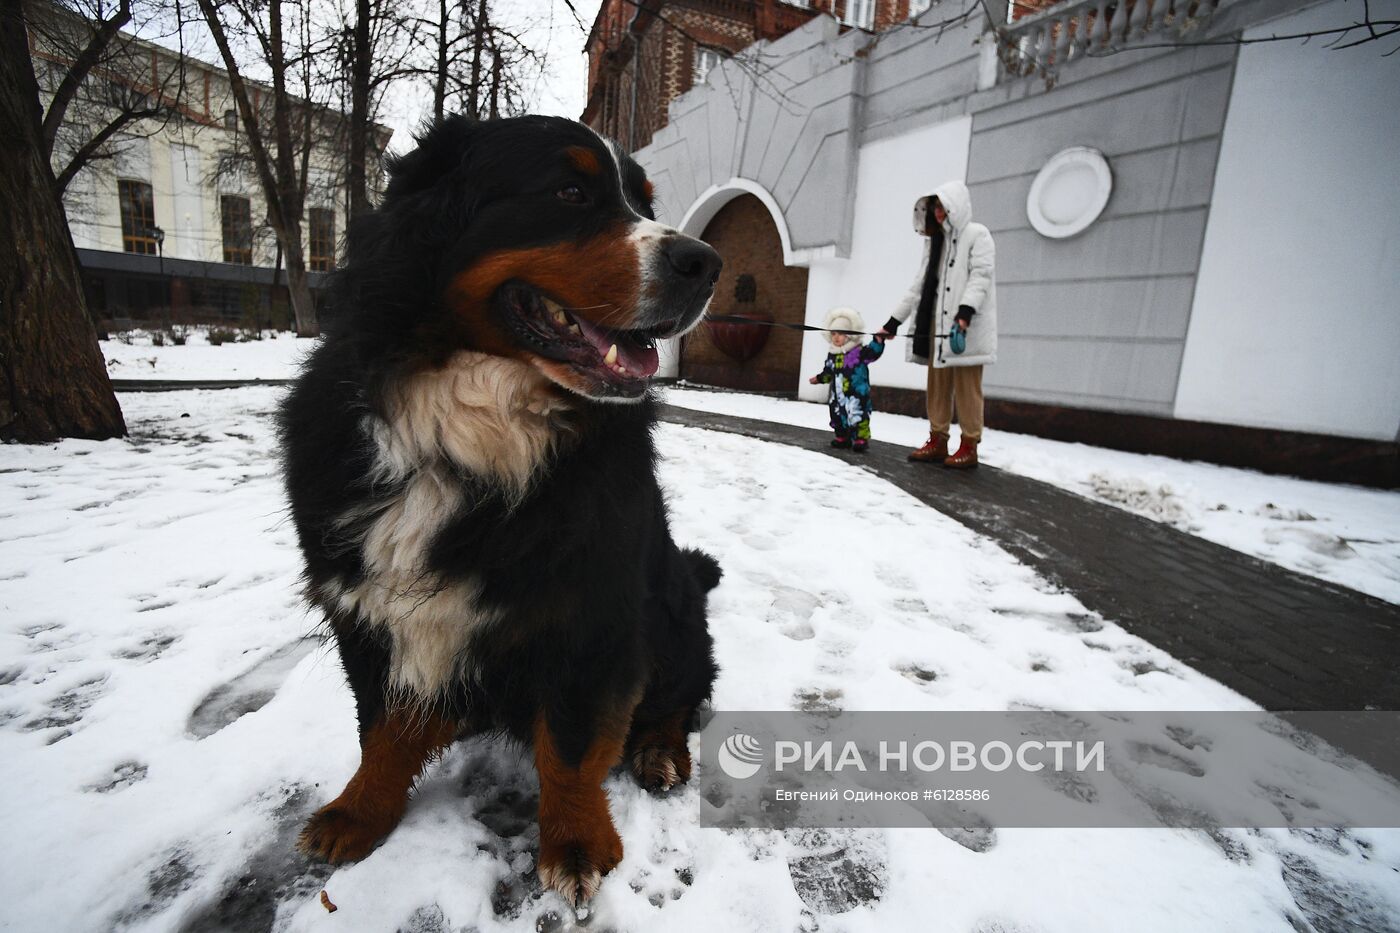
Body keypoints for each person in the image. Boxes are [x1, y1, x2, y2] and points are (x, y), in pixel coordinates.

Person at [878, 180, 997, 469]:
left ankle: (969, 444)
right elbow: (919, 286)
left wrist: (965, 313)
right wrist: (892, 323)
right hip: (935, 324)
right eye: (935, 209)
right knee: (938, 384)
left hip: (963, 326)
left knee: (968, 387)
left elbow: (981, 275)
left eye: (943, 207)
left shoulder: (977, 235)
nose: (939, 213)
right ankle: (938, 439)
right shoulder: (934, 242)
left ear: (956, 206)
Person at [809, 306, 886, 453]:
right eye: (833, 334)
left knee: (857, 413)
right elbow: (828, 371)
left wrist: (878, 341)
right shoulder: (833, 354)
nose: (836, 337)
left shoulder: (859, 352)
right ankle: (842, 437)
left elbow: (873, 353)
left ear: (850, 335)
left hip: (856, 392)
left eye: (841, 334)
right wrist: (819, 378)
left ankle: (860, 438)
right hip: (838, 395)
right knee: (837, 414)